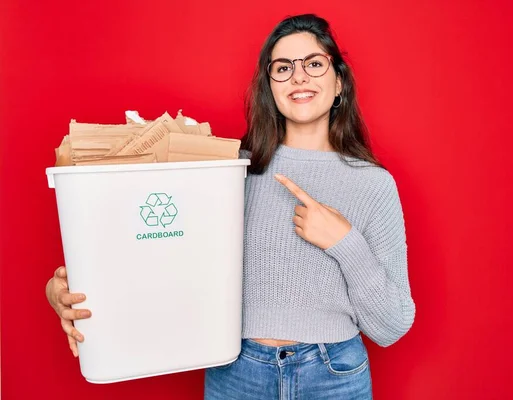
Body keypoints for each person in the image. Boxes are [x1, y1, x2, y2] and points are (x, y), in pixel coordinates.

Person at [45, 13, 416, 399]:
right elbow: (150, 249)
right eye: (283, 68)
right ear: (269, 87)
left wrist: (344, 241)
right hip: (238, 373)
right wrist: (64, 290)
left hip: (334, 375)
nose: (299, 77)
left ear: (338, 82)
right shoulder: (226, 172)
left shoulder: (373, 184)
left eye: (315, 64)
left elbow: (391, 325)